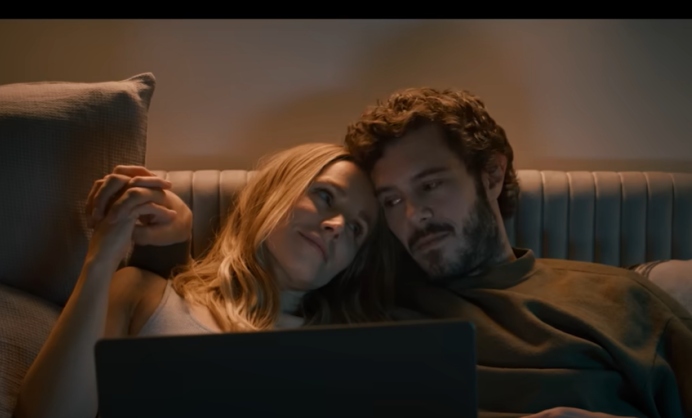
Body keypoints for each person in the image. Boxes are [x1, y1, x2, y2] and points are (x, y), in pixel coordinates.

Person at [128, 88, 692, 418]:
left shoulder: (619, 300)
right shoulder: (359, 295)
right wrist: (166, 247)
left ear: (491, 174)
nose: (412, 215)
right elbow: (219, 311)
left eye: (430, 185)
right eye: (391, 201)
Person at [13, 143, 395, 418]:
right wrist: (103, 256)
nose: (337, 225)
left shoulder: (355, 350)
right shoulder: (143, 294)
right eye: (325, 196)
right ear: (271, 194)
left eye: (357, 228)